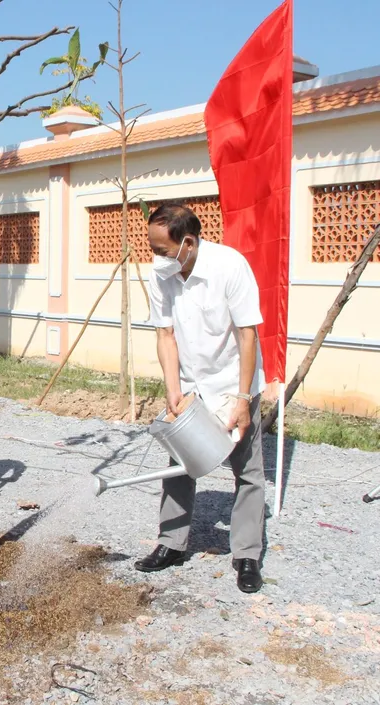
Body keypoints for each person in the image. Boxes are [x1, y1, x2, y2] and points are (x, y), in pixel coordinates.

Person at [134, 203, 266, 594]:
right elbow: (165, 335)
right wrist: (174, 391)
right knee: (180, 465)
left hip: (231, 382)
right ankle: (172, 544)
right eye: (153, 248)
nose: (156, 257)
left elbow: (247, 336)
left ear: (187, 243)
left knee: (248, 472)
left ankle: (246, 554)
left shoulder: (230, 266)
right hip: (191, 385)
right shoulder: (164, 275)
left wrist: (243, 398)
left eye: (162, 249)